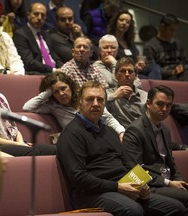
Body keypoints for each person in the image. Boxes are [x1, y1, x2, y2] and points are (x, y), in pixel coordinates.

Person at [56, 80, 186, 216]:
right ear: (80, 103)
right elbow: (78, 178)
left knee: (176, 208)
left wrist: (141, 185)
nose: (95, 103)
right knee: (133, 210)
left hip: (120, 186)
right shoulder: (71, 134)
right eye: (90, 99)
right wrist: (118, 187)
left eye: (100, 100)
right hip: (90, 194)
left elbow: (125, 165)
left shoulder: (110, 132)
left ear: (105, 104)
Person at [0, 54, 56, 156]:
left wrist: (20, 142)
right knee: (40, 153)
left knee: (56, 150)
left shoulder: (0, 97)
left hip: (14, 144)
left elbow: (14, 128)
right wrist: (16, 144)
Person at [122, 85, 188, 214]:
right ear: (148, 103)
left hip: (166, 182)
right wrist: (168, 183)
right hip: (150, 186)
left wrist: (180, 181)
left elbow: (171, 162)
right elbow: (134, 169)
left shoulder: (165, 129)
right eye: (160, 104)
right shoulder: (135, 130)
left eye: (168, 105)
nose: (164, 109)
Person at [23, 72, 125, 135]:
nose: (61, 94)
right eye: (56, 92)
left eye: (63, 88)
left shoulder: (87, 98)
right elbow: (27, 107)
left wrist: (121, 132)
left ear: (70, 87)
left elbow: (108, 118)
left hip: (98, 135)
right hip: (77, 140)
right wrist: (48, 91)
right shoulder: (53, 107)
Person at [107, 9, 161, 80]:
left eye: (127, 22)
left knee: (155, 67)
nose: (124, 23)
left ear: (130, 25)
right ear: (116, 22)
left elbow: (136, 57)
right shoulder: (109, 40)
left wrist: (139, 63)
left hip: (134, 69)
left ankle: (154, 89)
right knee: (144, 78)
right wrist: (132, 66)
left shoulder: (129, 41)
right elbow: (110, 60)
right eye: (121, 20)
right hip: (122, 71)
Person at [13, 2, 63, 74]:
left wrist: (63, 68)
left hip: (54, 72)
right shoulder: (21, 34)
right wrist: (53, 70)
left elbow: (54, 57)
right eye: (36, 14)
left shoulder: (46, 35)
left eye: (43, 15)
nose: (39, 18)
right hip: (38, 73)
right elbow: (29, 63)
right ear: (28, 14)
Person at [143, 14, 188, 81]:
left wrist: (182, 67)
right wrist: (172, 72)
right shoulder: (150, 46)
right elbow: (152, 68)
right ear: (162, 26)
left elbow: (185, 62)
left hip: (182, 74)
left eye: (175, 30)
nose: (173, 33)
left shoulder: (178, 43)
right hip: (165, 76)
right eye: (171, 30)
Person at [106, 57, 147, 128]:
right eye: (123, 71)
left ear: (136, 76)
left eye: (130, 71)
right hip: (117, 134)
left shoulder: (145, 96)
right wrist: (114, 96)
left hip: (140, 132)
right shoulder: (107, 94)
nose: (127, 74)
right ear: (115, 75)